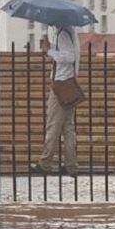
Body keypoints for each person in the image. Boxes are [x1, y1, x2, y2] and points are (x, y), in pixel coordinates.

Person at [30, 25, 79, 176]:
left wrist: (49, 51)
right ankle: (71, 166)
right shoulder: (69, 32)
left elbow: (69, 56)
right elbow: (67, 54)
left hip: (60, 84)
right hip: (69, 83)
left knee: (53, 125)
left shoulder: (63, 33)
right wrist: (50, 48)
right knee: (68, 127)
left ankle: (45, 163)